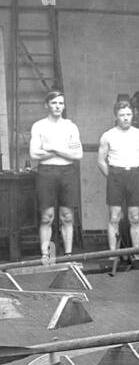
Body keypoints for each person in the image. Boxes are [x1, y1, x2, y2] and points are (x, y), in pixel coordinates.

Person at [29, 89, 83, 259]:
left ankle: (68, 255)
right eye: (54, 103)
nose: (57, 106)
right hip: (46, 172)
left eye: (60, 103)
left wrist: (53, 148)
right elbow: (34, 154)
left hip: (67, 172)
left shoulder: (70, 126)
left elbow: (77, 155)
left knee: (67, 216)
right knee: (47, 217)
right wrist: (62, 151)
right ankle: (48, 255)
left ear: (64, 106)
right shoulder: (39, 126)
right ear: (47, 105)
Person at [97, 100, 139, 261]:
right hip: (116, 175)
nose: (126, 118)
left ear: (132, 115)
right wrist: (112, 177)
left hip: (134, 174)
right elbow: (100, 161)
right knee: (114, 216)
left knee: (134, 217)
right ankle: (114, 254)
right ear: (116, 116)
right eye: (122, 115)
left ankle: (136, 252)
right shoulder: (108, 135)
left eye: (128, 114)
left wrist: (137, 173)